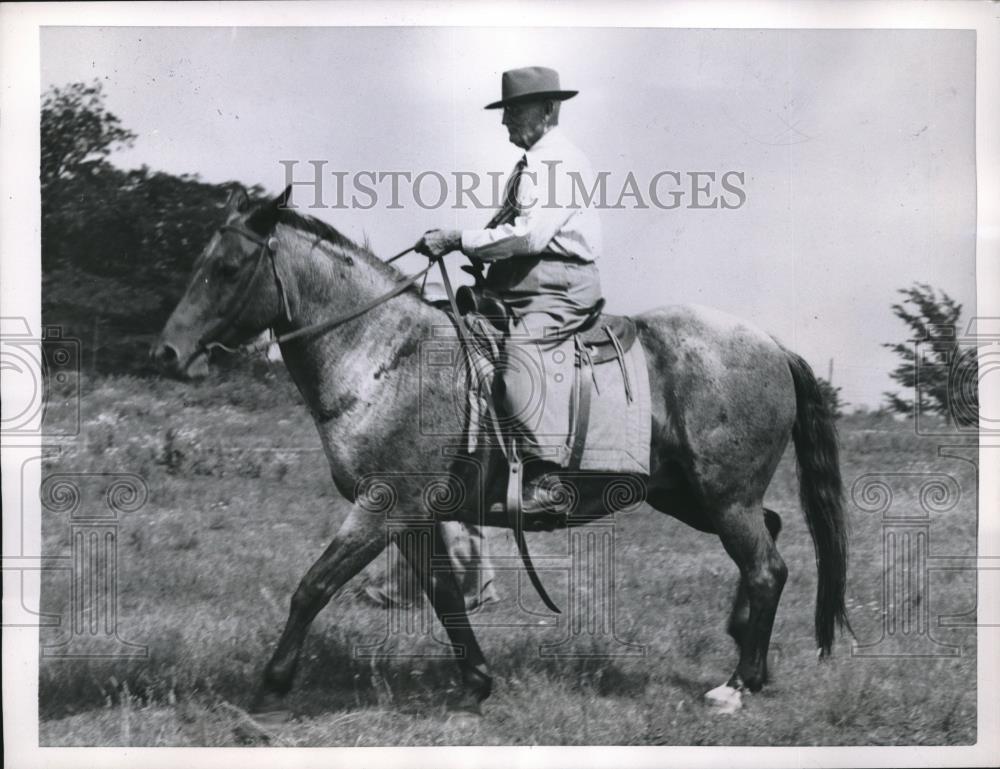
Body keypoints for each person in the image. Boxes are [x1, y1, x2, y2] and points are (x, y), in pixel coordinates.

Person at [416, 66, 604, 516]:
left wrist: (459, 239)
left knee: (522, 350)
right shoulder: (533, 163)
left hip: (559, 289)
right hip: (521, 285)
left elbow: (532, 237)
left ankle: (546, 476)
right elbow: (510, 230)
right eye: (505, 113)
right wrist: (480, 248)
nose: (505, 122)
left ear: (547, 109)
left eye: (513, 111)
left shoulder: (559, 162)